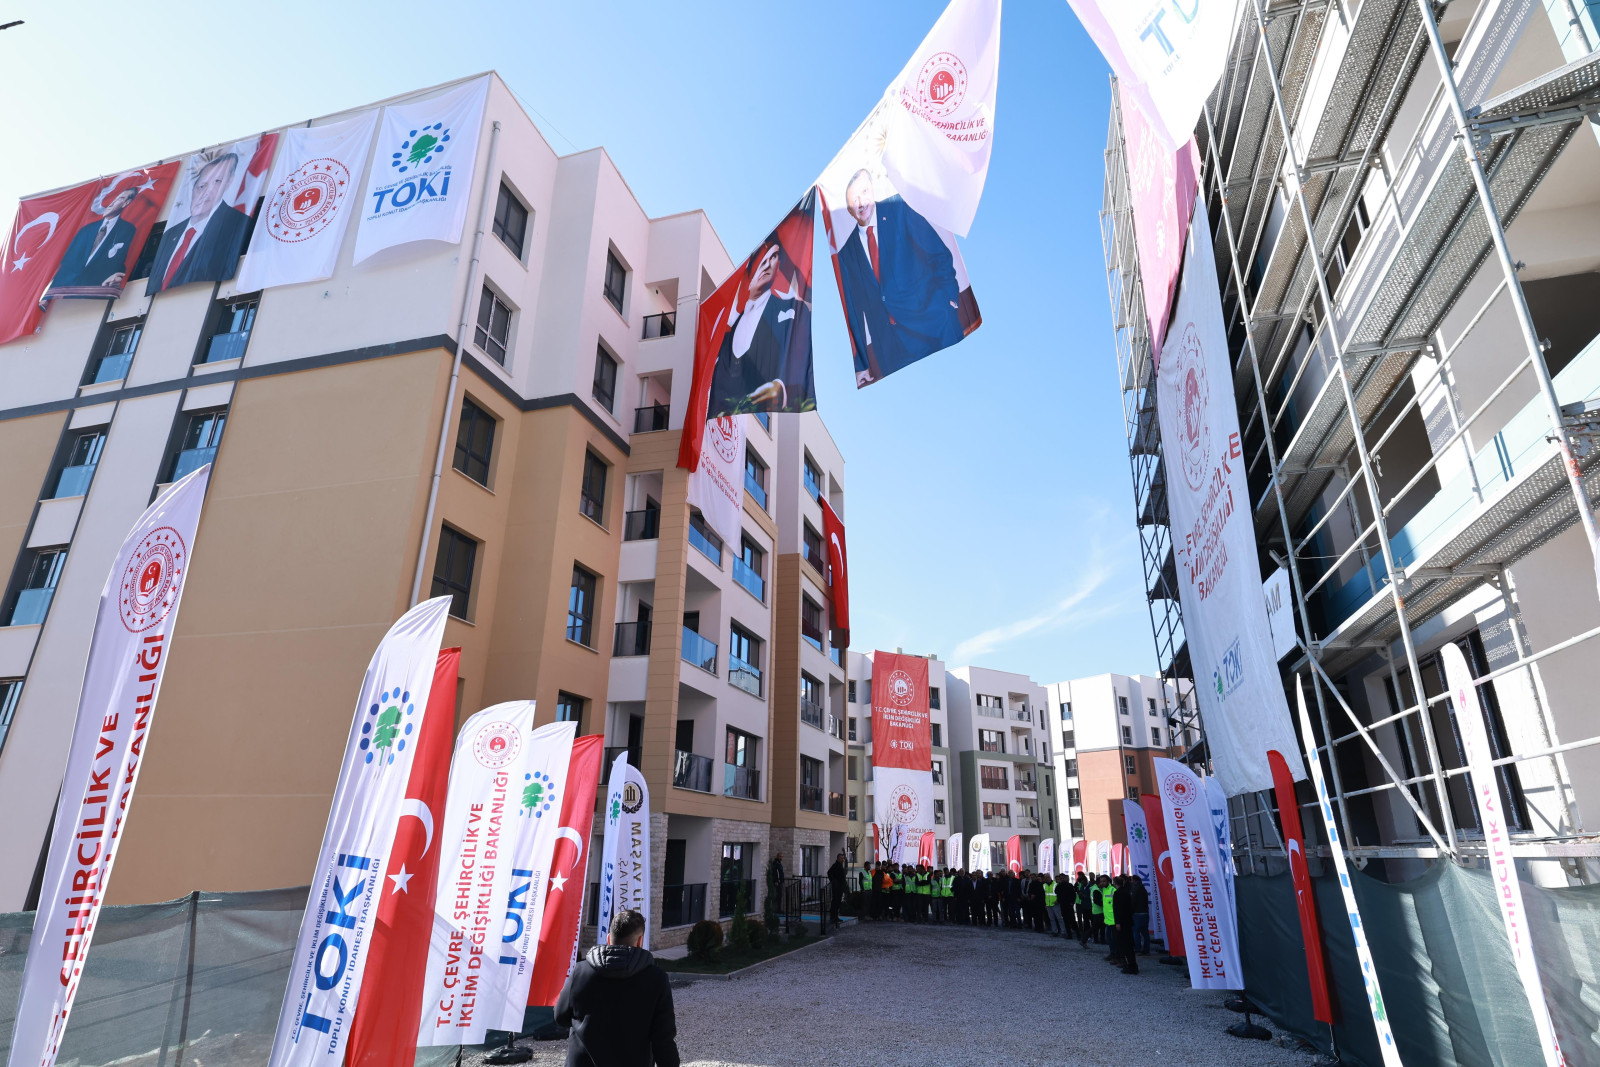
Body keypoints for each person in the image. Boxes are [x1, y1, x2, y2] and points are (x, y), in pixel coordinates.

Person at [834, 168, 965, 386]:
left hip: (933, 326)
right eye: (854, 200)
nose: (861, 202)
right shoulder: (846, 255)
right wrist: (860, 364)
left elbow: (938, 255)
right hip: (892, 353)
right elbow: (854, 312)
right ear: (849, 210)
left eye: (864, 192)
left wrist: (949, 301)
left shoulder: (899, 208)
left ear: (873, 190)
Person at [554, 907, 680, 1067]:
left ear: (608, 938)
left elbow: (560, 1016)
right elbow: (663, 1038)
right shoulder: (657, 979)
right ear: (640, 941)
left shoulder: (580, 971)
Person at [708, 240, 812, 415]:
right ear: (748, 278)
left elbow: (802, 364)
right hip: (727, 427)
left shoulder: (791, 312)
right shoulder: (726, 337)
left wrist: (783, 390)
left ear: (778, 267)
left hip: (767, 419)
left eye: (773, 257)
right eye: (762, 261)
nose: (767, 264)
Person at [147, 152, 253, 294]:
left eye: (217, 182)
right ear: (193, 188)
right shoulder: (170, 234)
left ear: (229, 182)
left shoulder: (237, 224)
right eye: (202, 186)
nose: (206, 193)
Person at [47, 186, 138, 293]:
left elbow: (123, 260)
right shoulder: (86, 229)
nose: (111, 203)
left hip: (96, 289)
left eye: (119, 199)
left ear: (126, 203)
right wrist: (50, 292)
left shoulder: (127, 230)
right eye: (114, 198)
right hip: (67, 287)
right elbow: (68, 261)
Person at [1113, 876, 1140, 974]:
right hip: (1128, 921)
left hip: (1123, 923)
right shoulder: (1127, 892)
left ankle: (1130, 966)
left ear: (1115, 883)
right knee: (1128, 944)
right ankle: (1131, 965)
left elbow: (1118, 909)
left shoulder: (1118, 893)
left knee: (1125, 945)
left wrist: (1118, 922)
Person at [1130, 875, 1151, 956]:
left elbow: (1133, 901)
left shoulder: (1135, 889)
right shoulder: (1143, 889)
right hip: (1145, 913)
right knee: (1145, 933)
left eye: (1132, 880)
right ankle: (1146, 949)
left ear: (1134, 880)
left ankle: (1138, 949)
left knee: (1136, 932)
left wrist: (1131, 911)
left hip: (1137, 913)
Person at [827, 851, 847, 924]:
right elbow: (829, 873)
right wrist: (833, 881)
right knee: (835, 902)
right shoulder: (835, 865)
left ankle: (836, 917)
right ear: (838, 858)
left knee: (838, 902)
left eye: (843, 858)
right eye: (841, 858)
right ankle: (833, 917)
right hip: (836, 887)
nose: (842, 860)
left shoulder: (840, 866)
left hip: (840, 886)